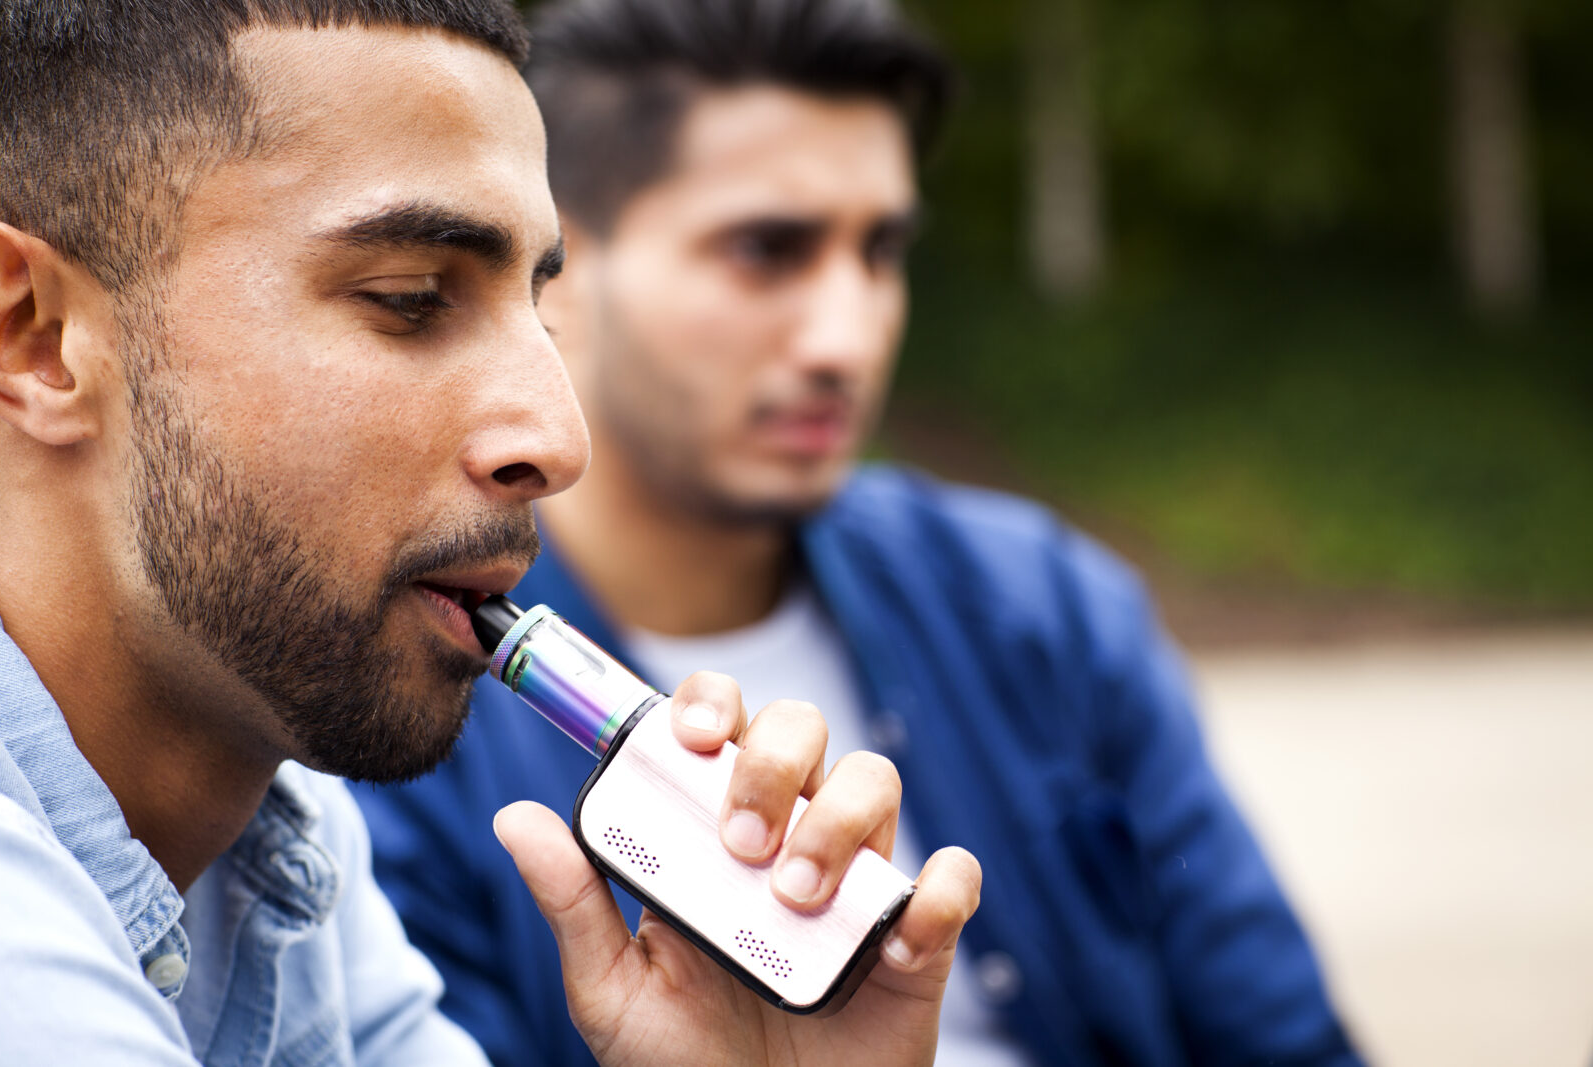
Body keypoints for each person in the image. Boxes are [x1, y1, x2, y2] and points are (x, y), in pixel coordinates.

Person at [350, 0, 1366, 1064]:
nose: (846, 335)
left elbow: (1288, 1040)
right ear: (561, 263)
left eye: (879, 251)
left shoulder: (1039, 604)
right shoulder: (398, 713)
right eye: (766, 249)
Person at [0, 3, 983, 1064]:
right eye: (411, 299)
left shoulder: (286, 826)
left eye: (537, 309)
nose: (559, 441)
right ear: (37, 336)